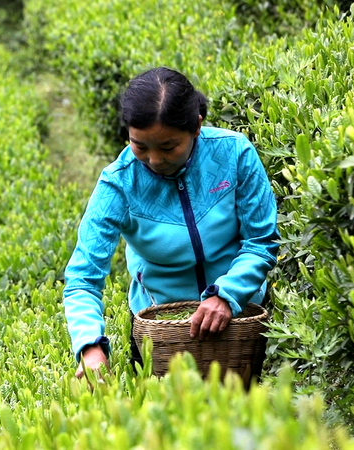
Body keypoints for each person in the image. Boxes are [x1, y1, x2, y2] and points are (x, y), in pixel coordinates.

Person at [63, 67, 279, 378]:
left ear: (196, 128)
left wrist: (227, 294)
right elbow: (83, 277)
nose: (154, 160)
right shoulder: (119, 184)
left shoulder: (233, 154)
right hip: (161, 330)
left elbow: (261, 241)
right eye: (140, 146)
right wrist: (89, 346)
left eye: (168, 147)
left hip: (241, 316)